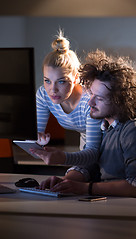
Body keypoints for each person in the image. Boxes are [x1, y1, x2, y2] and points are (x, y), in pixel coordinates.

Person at [35, 50, 136, 200]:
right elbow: (89, 166)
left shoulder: (135, 130)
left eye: (98, 98)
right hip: (112, 203)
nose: (90, 102)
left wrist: (85, 188)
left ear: (119, 101)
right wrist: (66, 182)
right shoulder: (104, 126)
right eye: (91, 94)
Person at [35, 30, 102, 166]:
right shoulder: (43, 95)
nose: (52, 90)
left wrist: (64, 158)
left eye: (61, 81)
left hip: (111, 144)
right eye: (47, 80)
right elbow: (36, 135)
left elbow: (94, 151)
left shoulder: (90, 101)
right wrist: (39, 142)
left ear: (76, 77)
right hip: (86, 147)